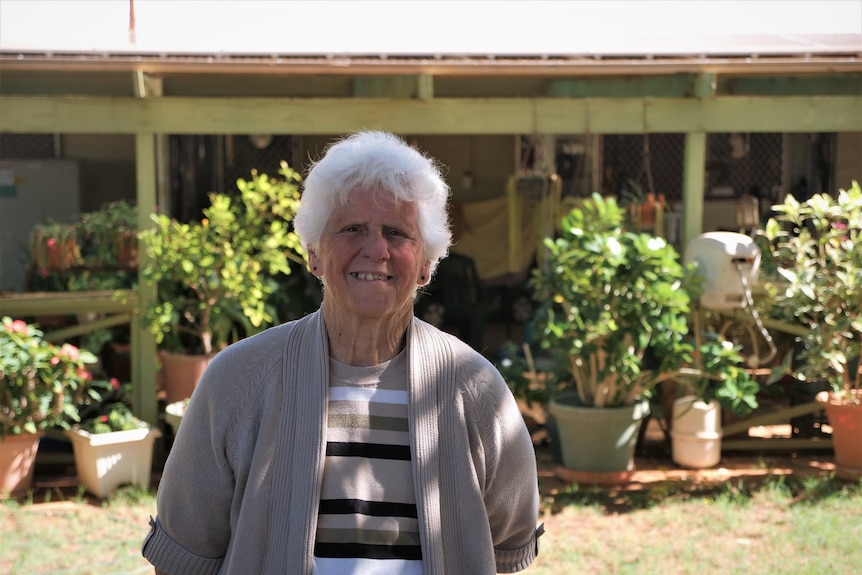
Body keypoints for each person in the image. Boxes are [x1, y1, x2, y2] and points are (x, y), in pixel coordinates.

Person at [142, 130, 543, 574]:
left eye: (396, 232)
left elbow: (507, 551)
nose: (375, 250)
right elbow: (183, 556)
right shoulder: (237, 381)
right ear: (313, 253)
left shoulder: (476, 389)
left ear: (426, 264)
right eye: (352, 229)